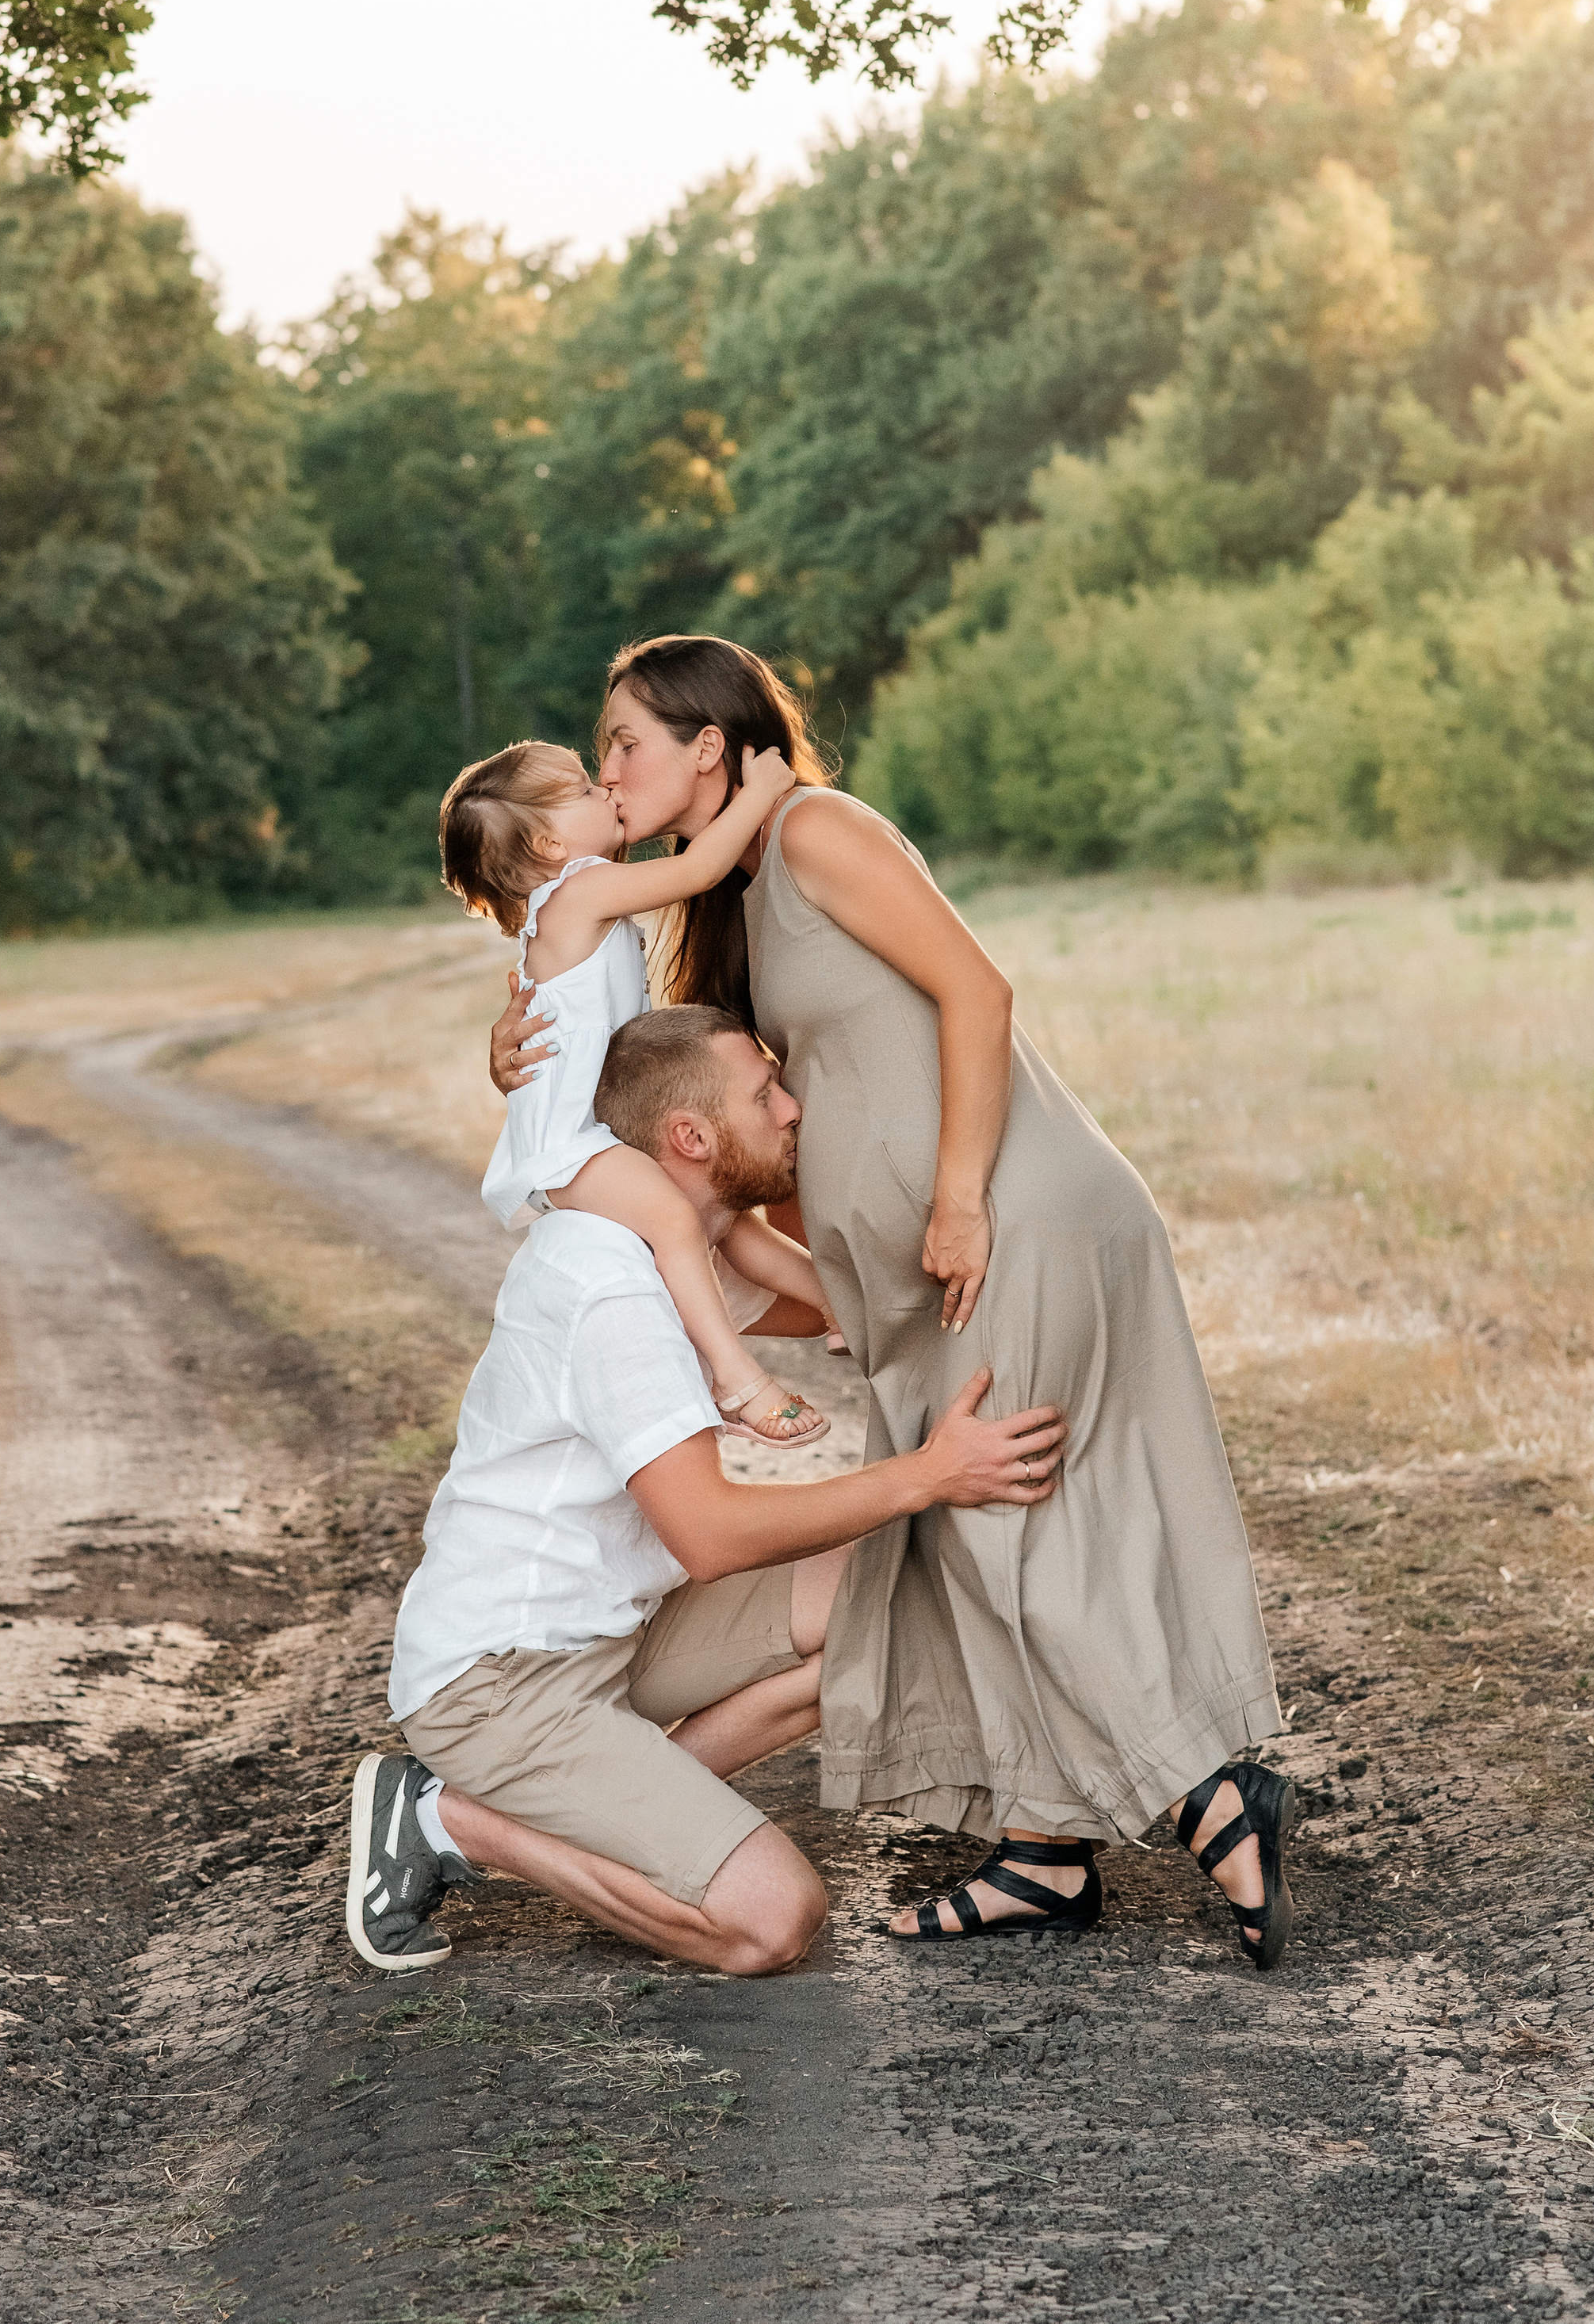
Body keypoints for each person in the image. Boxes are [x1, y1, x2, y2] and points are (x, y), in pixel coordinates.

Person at [491, 635, 1297, 1971]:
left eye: (625, 738)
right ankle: (1041, 1852)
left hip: (1011, 1222)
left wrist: (962, 1190)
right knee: (962, 1537)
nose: (608, 765)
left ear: (709, 745)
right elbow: (673, 1104)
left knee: (999, 1526)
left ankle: (1211, 1795)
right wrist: (510, 1045)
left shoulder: (817, 827)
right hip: (929, 1275)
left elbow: (977, 987)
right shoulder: (729, 896)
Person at [346, 1007, 1068, 1974]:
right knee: (774, 1921)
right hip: (498, 1686)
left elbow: (845, 1304)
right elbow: (711, 1536)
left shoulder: (675, 1256)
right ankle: (454, 1821)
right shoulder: (610, 1287)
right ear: (690, 1138)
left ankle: (621, 1806)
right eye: (765, 1093)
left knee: (888, 1595)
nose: (792, 1107)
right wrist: (926, 1475)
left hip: (617, 1635)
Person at [438, 733, 828, 1446]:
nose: (609, 789)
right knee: (680, 1223)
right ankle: (738, 1381)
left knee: (730, 1229)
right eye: (587, 790)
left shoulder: (575, 908)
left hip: (598, 1136)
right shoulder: (579, 894)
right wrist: (762, 793)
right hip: (572, 1147)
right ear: (553, 846)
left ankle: (851, 1308)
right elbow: (702, 868)